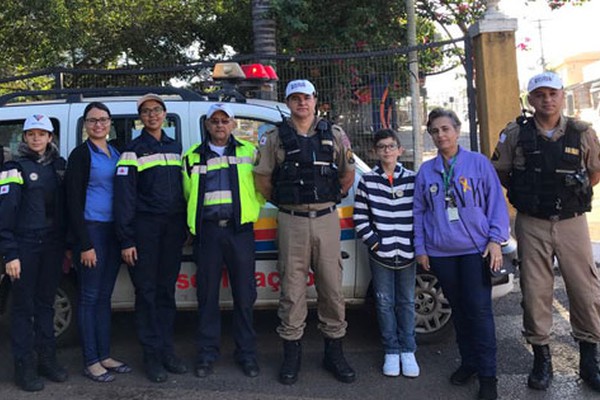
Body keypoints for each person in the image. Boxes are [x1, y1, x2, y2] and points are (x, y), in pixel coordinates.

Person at [492, 71, 600, 393]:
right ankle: (542, 359)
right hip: (532, 222)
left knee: (584, 289)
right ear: (530, 99)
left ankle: (589, 358)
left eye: (552, 93)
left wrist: (570, 195)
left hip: (571, 221)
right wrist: (530, 195)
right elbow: (502, 171)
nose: (547, 99)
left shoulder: (582, 132)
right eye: (540, 94)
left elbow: (595, 170)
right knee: (536, 290)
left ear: (561, 94)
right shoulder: (515, 134)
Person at [254, 79, 356, 384]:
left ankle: (334, 353)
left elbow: (347, 174)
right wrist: (289, 202)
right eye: (295, 98)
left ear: (315, 100)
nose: (302, 103)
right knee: (292, 289)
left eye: (307, 98)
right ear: (288, 103)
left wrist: (325, 197)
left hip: (326, 218)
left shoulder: (334, 134)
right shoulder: (274, 138)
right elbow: (263, 181)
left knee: (332, 289)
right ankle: (291, 355)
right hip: (291, 221)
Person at [413, 108, 509, 400]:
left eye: (445, 129)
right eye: (435, 131)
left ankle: (488, 375)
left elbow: (496, 205)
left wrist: (495, 240)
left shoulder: (478, 164)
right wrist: (421, 248)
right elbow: (418, 212)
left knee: (479, 312)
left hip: (474, 251)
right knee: (460, 311)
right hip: (441, 254)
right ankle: (468, 363)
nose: (441, 135)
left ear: (457, 130)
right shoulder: (427, 171)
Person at [182, 103, 265, 378]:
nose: (219, 125)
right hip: (207, 233)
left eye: (224, 120)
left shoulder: (249, 152)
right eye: (214, 121)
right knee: (207, 297)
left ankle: (247, 354)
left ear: (232, 124)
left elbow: (261, 189)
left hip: (239, 232)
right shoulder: (192, 156)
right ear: (207, 125)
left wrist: (250, 212)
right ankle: (206, 354)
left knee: (244, 296)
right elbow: (187, 193)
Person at [114, 94, 187, 383]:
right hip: (144, 231)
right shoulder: (132, 150)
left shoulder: (176, 146)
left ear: (165, 114)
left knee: (166, 292)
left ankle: (167, 351)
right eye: (146, 111)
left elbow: (184, 190)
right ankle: (151, 356)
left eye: (156, 110)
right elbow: (123, 198)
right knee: (146, 294)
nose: (152, 115)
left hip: (171, 231)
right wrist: (126, 239)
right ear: (140, 118)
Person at [0, 115, 69, 391]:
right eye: (31, 134)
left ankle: (47, 361)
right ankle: (24, 368)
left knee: (45, 306)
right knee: (22, 310)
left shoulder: (58, 167)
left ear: (50, 137)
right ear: (24, 138)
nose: (37, 139)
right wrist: (10, 254)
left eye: (42, 134)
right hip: (25, 246)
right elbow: (5, 214)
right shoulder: (14, 168)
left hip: (52, 246)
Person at [65, 102, 131, 382]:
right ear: (85, 125)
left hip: (112, 232)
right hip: (92, 231)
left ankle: (104, 355)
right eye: (92, 121)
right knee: (90, 298)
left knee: (104, 298)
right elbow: (72, 201)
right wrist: (84, 244)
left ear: (109, 122)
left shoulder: (115, 151)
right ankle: (90, 360)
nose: (98, 125)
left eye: (103, 120)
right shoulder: (81, 155)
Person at [353, 129, 419, 378]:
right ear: (375, 152)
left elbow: (420, 214)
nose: (387, 151)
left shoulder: (413, 179)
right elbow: (360, 216)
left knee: (407, 301)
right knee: (383, 302)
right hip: (380, 254)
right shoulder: (368, 181)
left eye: (391, 146)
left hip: (407, 253)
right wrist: (375, 243)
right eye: (382, 147)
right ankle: (391, 350)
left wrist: (415, 244)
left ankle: (408, 349)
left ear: (400, 150)